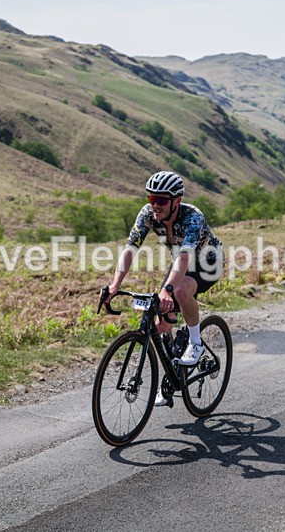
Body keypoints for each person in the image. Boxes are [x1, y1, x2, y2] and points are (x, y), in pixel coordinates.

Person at [102, 171, 224, 406]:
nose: (155, 205)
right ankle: (171, 376)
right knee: (161, 325)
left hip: (210, 261)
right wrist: (115, 285)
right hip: (181, 262)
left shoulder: (192, 217)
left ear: (176, 201)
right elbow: (130, 249)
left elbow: (185, 257)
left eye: (161, 200)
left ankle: (196, 344)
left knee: (179, 291)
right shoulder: (148, 214)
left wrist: (168, 289)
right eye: (151, 199)